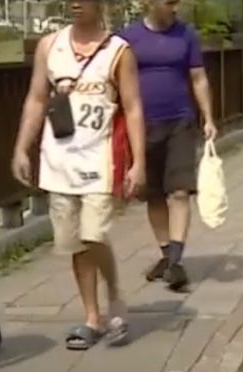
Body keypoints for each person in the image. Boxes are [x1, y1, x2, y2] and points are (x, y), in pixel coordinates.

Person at [12, 0, 146, 350]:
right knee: (74, 242)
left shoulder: (118, 51)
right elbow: (36, 99)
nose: (75, 3)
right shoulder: (50, 46)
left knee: (94, 233)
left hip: (100, 159)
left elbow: (133, 107)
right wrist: (22, 148)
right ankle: (91, 317)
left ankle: (114, 295)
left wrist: (139, 162)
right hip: (59, 160)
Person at [120, 0, 217, 292]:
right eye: (169, 2)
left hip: (180, 121)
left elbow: (198, 78)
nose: (175, 8)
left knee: (180, 190)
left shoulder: (186, 35)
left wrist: (208, 118)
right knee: (154, 194)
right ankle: (166, 254)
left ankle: (175, 261)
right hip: (142, 126)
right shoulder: (127, 38)